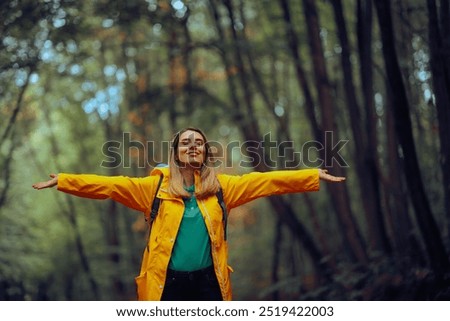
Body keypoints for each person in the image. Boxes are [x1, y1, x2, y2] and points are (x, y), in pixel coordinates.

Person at [32, 127, 345, 301]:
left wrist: (311, 175)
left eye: (199, 143)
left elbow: (267, 182)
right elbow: (111, 186)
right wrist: (64, 180)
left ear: (206, 152)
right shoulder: (153, 189)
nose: (193, 146)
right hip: (166, 285)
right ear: (176, 152)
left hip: (210, 285)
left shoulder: (223, 188)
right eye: (186, 143)